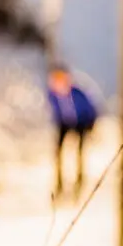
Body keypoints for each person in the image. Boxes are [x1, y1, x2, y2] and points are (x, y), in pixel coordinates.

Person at [45, 65, 99, 200]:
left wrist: (90, 124)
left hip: (81, 122)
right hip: (64, 123)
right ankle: (59, 181)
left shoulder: (77, 93)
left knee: (79, 152)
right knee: (58, 152)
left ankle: (79, 178)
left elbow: (90, 108)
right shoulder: (52, 95)